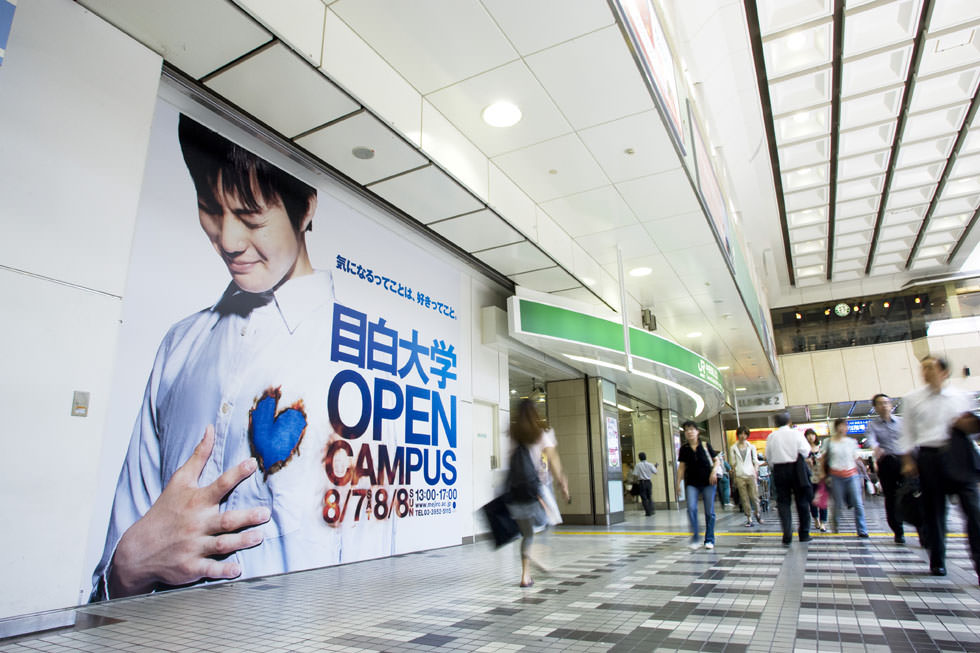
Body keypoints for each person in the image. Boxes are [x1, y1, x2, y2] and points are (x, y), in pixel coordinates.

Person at [92, 115, 350, 599]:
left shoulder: (351, 358)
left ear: (305, 208)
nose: (229, 240)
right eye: (210, 208)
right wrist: (125, 566)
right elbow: (122, 558)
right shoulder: (180, 345)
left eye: (251, 216)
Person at [900, 356, 980, 581]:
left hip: (959, 455)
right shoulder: (911, 399)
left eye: (929, 367)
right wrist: (908, 460)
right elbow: (906, 433)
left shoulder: (961, 397)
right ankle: (937, 561)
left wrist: (968, 425)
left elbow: (972, 430)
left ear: (944, 372)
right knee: (934, 513)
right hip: (929, 457)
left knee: (974, 513)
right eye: (922, 368)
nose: (924, 372)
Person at [506, 399, 557, 588]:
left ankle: (525, 576)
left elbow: (509, 463)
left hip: (516, 493)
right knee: (546, 522)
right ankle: (535, 556)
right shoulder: (541, 435)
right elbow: (553, 460)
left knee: (527, 534)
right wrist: (562, 482)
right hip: (535, 491)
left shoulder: (513, 435)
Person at [764, 412, 812, 545]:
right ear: (789, 421)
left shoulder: (772, 436)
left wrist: (775, 466)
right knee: (801, 501)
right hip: (797, 469)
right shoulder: (796, 434)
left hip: (779, 470)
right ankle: (804, 533)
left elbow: (768, 456)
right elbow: (805, 451)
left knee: (783, 502)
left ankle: (787, 534)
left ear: (775, 423)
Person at [676, 421, 721, 550]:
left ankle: (709, 539)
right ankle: (695, 537)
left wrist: (713, 472)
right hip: (692, 484)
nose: (689, 431)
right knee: (691, 509)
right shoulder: (684, 449)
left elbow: (716, 461)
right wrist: (678, 484)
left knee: (709, 512)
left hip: (708, 482)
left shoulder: (706, 445)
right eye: (686, 430)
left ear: (697, 431)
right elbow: (681, 468)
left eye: (691, 429)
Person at [867, 393, 905, 543]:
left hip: (904, 460)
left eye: (886, 402)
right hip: (886, 462)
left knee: (912, 495)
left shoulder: (902, 422)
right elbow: (871, 439)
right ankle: (898, 530)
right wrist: (876, 448)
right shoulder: (873, 425)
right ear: (875, 407)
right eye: (880, 403)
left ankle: (922, 529)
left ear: (891, 405)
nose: (884, 405)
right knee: (891, 497)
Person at [825, 418, 869, 538]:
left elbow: (856, 458)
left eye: (844, 426)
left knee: (858, 503)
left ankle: (862, 530)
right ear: (835, 428)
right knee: (838, 503)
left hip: (852, 475)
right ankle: (836, 525)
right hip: (836, 476)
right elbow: (824, 458)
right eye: (840, 426)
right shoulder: (829, 442)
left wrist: (864, 474)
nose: (842, 428)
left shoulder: (851, 442)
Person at [730, 426, 761, 526]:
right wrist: (734, 473)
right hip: (740, 475)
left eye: (745, 434)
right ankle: (749, 518)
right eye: (740, 434)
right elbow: (733, 463)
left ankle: (757, 513)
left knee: (754, 496)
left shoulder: (751, 447)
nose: (742, 436)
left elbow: (756, 461)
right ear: (738, 435)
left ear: (747, 435)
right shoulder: (733, 448)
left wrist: (755, 471)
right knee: (744, 498)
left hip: (751, 474)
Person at [804, 428, 828, 532]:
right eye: (808, 435)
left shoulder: (821, 447)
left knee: (823, 500)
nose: (810, 437)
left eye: (812, 435)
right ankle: (816, 519)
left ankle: (823, 522)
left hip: (821, 476)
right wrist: (806, 461)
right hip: (809, 477)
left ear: (815, 436)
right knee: (812, 500)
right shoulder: (804, 449)